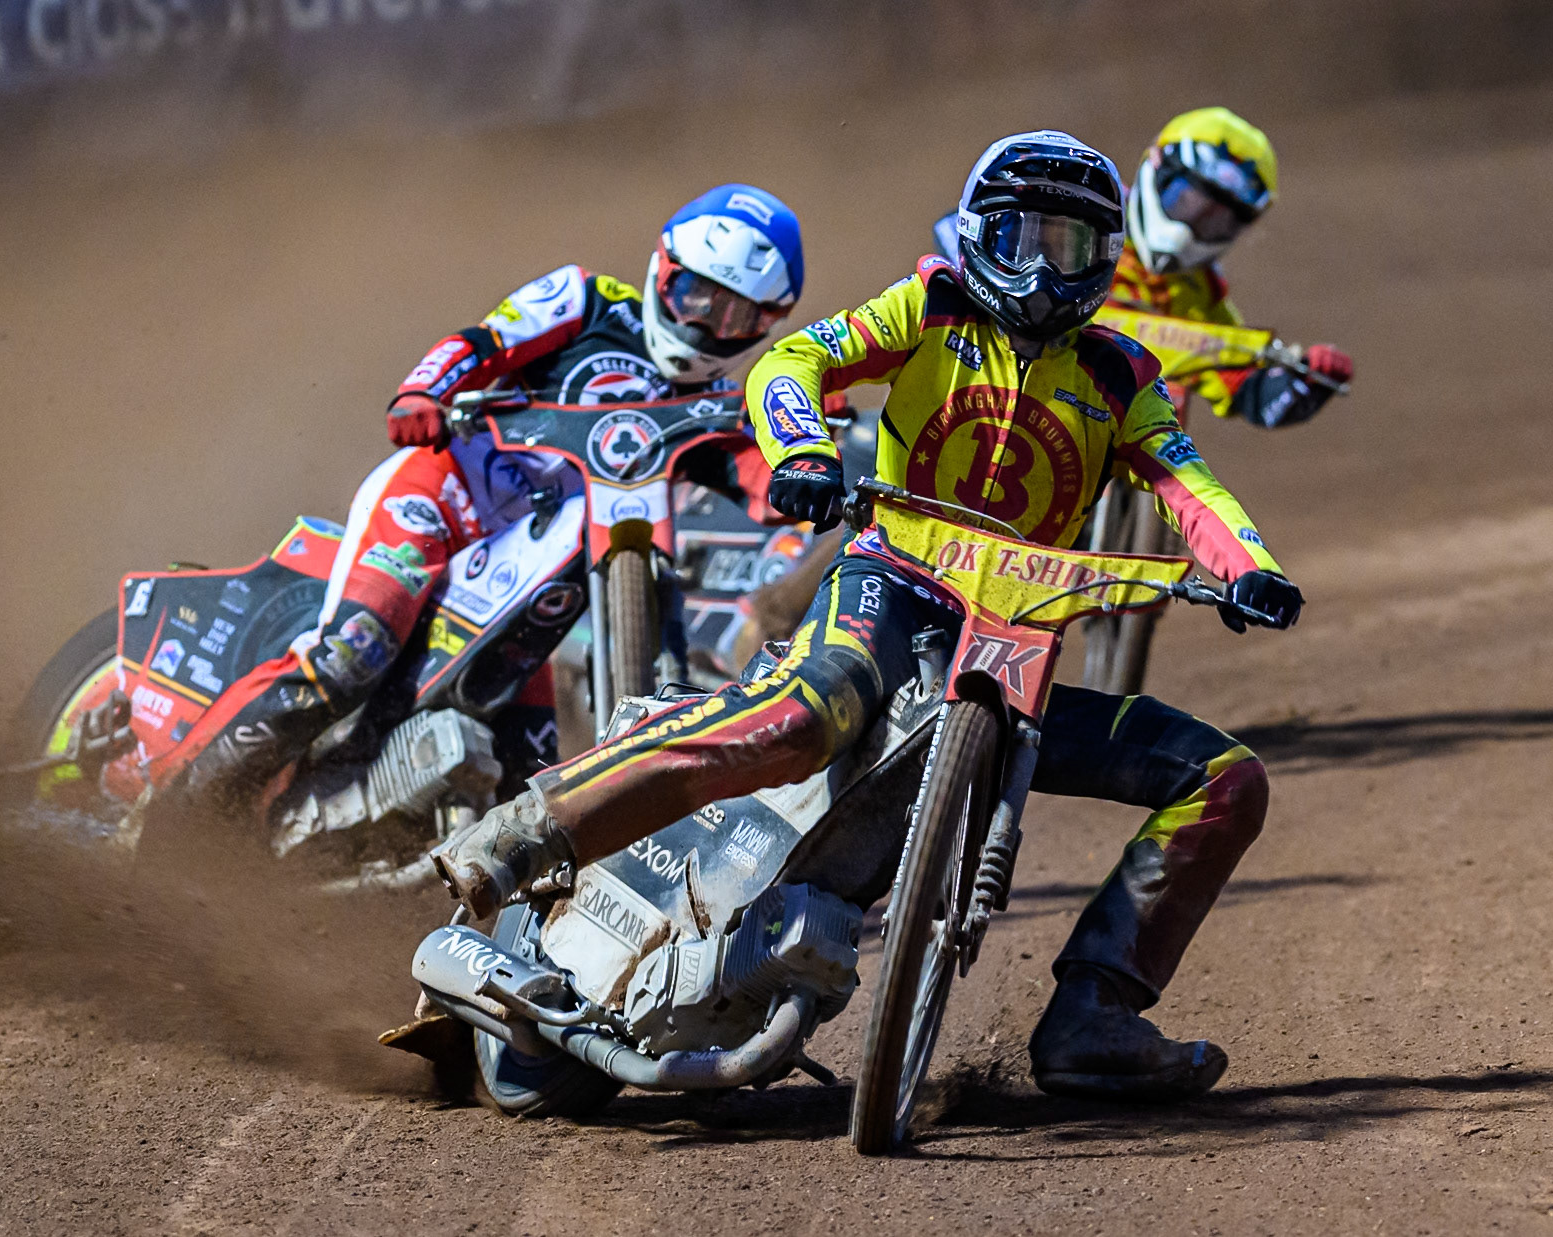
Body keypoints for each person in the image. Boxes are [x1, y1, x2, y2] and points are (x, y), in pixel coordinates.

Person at [433, 132, 1303, 1101]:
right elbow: (795, 362)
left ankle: (1094, 1016)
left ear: (1104, 260)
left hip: (1015, 651)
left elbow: (1189, 486)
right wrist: (802, 452)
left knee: (1222, 778)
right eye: (1022, 239)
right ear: (979, 234)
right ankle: (522, 831)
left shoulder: (1120, 375)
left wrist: (1247, 567)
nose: (1044, 271)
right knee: (806, 714)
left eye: (1071, 248)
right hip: (890, 589)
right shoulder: (928, 309)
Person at [139, 185, 806, 816]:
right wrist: (423, 391)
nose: (704, 323)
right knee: (353, 651)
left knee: (528, 775)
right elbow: (487, 341)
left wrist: (807, 457)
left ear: (763, 325)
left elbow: (762, 481)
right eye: (694, 294)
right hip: (443, 496)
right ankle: (178, 810)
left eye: (734, 314)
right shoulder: (591, 299)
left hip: (531, 570)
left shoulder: (714, 408)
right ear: (664, 269)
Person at [934, 107, 1352, 428]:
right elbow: (960, 238)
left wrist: (1299, 385)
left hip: (1096, 451)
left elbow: (1244, 386)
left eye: (1218, 219)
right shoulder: (1087, 210)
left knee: (1169, 397)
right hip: (981, 393)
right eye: (1188, 201)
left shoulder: (1199, 292)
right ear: (1157, 169)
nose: (1194, 227)